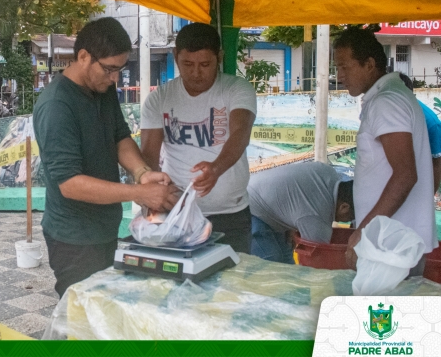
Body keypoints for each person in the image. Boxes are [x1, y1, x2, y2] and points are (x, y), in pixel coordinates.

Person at [33, 17, 180, 298]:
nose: (115, 78)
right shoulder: (56, 106)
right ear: (84, 56)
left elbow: (119, 136)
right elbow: (70, 184)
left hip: (104, 229)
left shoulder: (103, 89)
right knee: (81, 323)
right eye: (110, 69)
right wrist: (139, 193)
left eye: (119, 69)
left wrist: (141, 173)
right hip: (73, 239)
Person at [141, 23, 257, 253]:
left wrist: (216, 168)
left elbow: (240, 133)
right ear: (175, 57)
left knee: (231, 285)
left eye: (205, 64)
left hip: (229, 217)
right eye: (187, 64)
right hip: (175, 211)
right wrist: (148, 196)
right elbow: (148, 156)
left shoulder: (237, 89)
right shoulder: (159, 98)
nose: (196, 73)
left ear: (219, 58)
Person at [333, 28, 438, 273]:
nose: (339, 76)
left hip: (391, 246)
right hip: (392, 242)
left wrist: (363, 230)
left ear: (369, 64)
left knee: (383, 311)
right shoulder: (390, 97)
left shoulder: (386, 103)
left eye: (344, 67)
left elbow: (405, 175)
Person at [249, 162, 355, 264]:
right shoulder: (316, 218)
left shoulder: (329, 173)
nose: (347, 221)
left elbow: (297, 194)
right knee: (269, 264)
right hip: (251, 206)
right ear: (344, 207)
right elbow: (317, 262)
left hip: (265, 199)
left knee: (286, 263)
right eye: (349, 218)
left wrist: (292, 223)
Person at [399, 73, 441, 196]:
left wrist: (428, 196)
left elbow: (437, 164)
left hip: (417, 187)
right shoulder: (389, 114)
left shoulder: (430, 122)